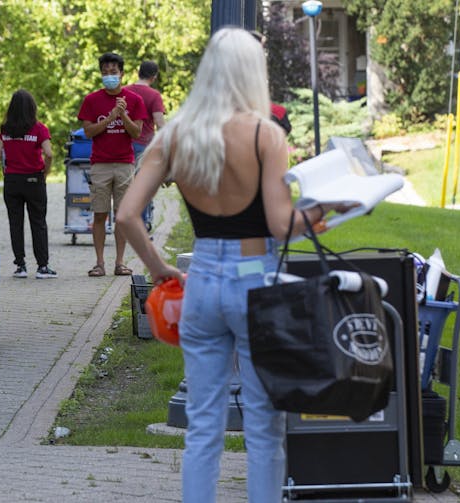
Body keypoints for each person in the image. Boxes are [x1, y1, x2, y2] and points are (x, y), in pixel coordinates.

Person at [116, 28, 351, 502]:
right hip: (254, 284)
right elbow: (282, 225)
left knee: (203, 425)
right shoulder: (265, 133)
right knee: (264, 426)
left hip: (200, 279)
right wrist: (329, 210)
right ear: (252, 73)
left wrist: (160, 269)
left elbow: (125, 215)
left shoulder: (177, 134)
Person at [78, 52, 147, 277]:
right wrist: (110, 117)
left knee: (122, 215)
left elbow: (136, 132)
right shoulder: (91, 100)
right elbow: (88, 132)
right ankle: (99, 263)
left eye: (113, 72)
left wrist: (122, 114)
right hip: (100, 164)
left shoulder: (134, 100)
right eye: (105, 73)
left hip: (125, 164)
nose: (109, 76)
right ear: (101, 74)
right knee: (99, 214)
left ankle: (120, 262)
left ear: (122, 74)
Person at [0, 89, 57, 279]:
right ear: (32, 108)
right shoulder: (39, 129)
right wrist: (45, 172)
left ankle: (20, 266)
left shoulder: (5, 130)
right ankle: (42, 267)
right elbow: (49, 153)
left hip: (12, 181)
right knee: (38, 222)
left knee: (16, 223)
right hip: (34, 180)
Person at [125, 61, 166, 159]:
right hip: (143, 145)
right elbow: (160, 123)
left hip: (123, 144)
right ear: (154, 77)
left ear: (139, 73)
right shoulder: (154, 95)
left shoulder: (124, 91)